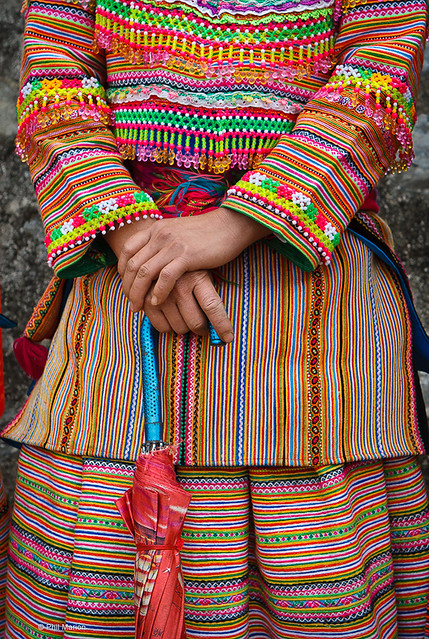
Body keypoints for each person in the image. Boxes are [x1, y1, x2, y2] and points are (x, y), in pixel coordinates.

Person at [2, 0, 429, 636]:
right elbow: (56, 83)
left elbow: (375, 75)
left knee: (312, 562)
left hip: (313, 307)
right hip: (124, 296)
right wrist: (136, 238)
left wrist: (239, 221)